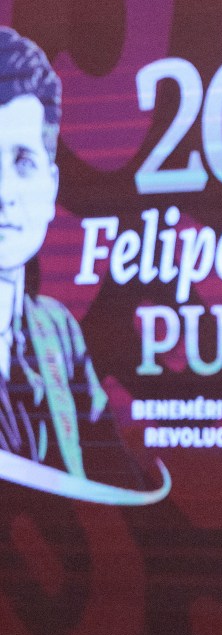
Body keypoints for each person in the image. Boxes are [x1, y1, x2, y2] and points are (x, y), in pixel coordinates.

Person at [0, 27, 116, 480]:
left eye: (23, 162)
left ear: (51, 187)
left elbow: (113, 478)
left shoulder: (58, 331)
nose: (4, 193)